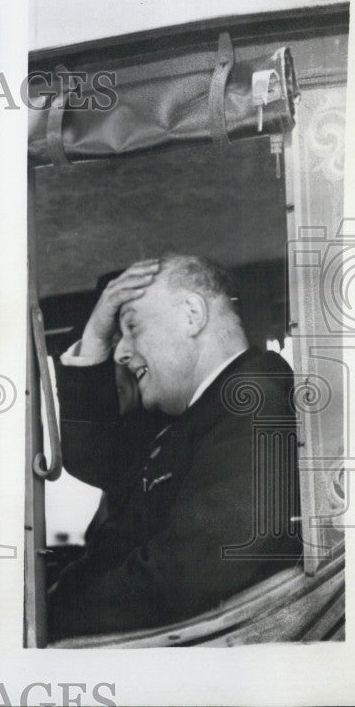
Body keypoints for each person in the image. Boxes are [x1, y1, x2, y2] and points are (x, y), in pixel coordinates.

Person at [48, 255, 302, 639]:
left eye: (132, 327)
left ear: (191, 315)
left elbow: (186, 574)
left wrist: (51, 612)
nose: (121, 353)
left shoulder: (253, 400)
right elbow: (95, 458)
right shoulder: (208, 407)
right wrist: (96, 335)